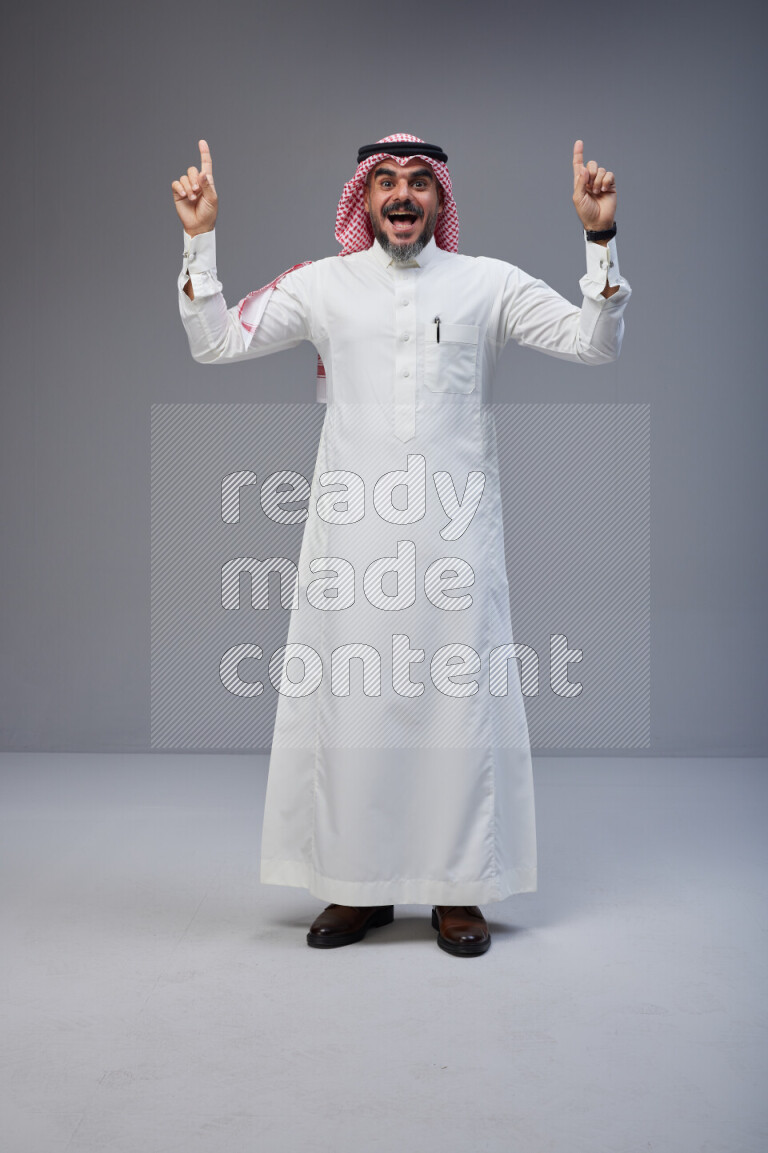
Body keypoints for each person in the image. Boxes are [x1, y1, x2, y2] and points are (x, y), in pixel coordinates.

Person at [173, 133, 631, 957]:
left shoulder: (487, 284)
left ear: (440, 199)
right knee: (354, 708)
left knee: (457, 710)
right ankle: (358, 887)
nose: (402, 195)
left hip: (457, 544)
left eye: (419, 181)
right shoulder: (323, 284)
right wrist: (199, 239)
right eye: (385, 181)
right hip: (352, 544)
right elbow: (216, 341)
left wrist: (599, 238)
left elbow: (593, 343)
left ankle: (458, 891)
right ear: (364, 198)